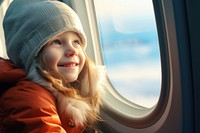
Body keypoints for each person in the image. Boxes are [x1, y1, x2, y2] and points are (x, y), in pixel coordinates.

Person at [0, 0, 106, 132]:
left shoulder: (63, 88)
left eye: (76, 42)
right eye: (57, 42)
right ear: (33, 55)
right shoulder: (29, 99)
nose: (72, 50)